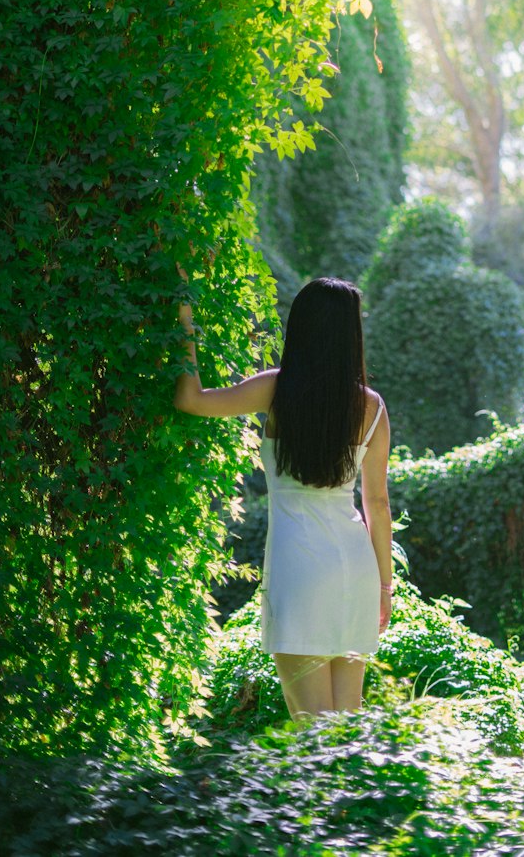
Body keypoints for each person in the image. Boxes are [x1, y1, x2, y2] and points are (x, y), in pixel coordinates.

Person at [173, 276, 393, 720]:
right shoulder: (371, 408)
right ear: (352, 337)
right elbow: (378, 505)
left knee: (313, 731)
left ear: (302, 328)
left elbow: (190, 400)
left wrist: (184, 317)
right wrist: (385, 588)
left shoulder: (276, 389)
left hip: (300, 568)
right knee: (345, 726)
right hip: (355, 570)